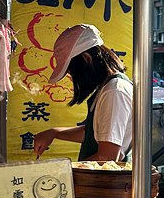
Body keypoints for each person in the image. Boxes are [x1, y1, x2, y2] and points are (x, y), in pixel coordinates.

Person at [33, 23, 133, 162]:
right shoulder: (108, 87)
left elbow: (106, 158)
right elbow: (95, 134)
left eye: (73, 72)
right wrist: (54, 132)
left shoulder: (114, 92)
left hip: (107, 177)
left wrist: (64, 171)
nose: (73, 79)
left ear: (87, 58)